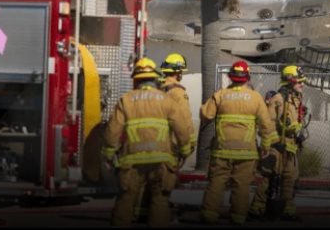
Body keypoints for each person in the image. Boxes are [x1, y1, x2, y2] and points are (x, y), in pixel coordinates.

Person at [103, 57, 193, 227]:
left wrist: (108, 154)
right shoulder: (167, 100)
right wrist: (184, 151)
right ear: (154, 78)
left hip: (132, 160)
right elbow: (181, 128)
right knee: (160, 199)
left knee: (126, 198)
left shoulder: (125, 100)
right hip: (161, 160)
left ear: (136, 79)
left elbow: (113, 130)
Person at [200, 61, 277, 225]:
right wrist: (265, 146)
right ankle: (238, 217)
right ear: (247, 78)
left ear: (230, 77)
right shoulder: (256, 97)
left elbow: (206, 114)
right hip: (247, 153)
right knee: (242, 186)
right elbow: (266, 125)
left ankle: (209, 215)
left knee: (216, 182)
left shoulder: (220, 95)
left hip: (222, 150)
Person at [249, 65, 308, 221]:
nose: (302, 84)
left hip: (291, 145)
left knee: (290, 178)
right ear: (290, 80)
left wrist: (298, 133)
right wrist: (273, 144)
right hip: (278, 146)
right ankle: (257, 209)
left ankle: (287, 211)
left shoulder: (296, 98)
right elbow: (268, 123)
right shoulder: (279, 99)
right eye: (299, 81)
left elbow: (294, 122)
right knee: (269, 177)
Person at [158, 53, 196, 159]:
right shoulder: (178, 92)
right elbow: (185, 118)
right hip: (171, 145)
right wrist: (190, 143)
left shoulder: (158, 88)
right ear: (178, 72)